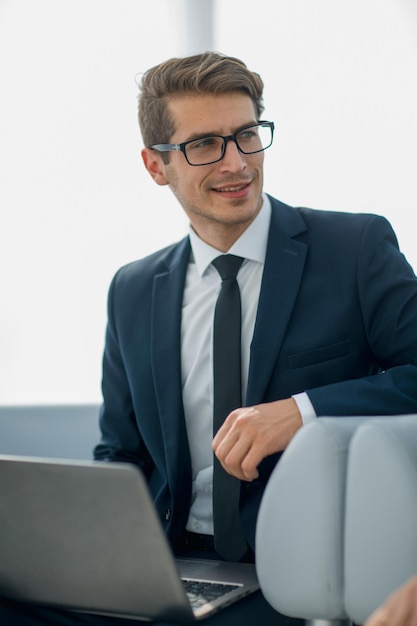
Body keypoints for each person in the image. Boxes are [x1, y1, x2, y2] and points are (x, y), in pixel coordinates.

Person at [2, 51, 417, 625]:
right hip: (165, 565)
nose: (237, 163)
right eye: (205, 145)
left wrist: (302, 411)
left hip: (298, 574)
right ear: (155, 165)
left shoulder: (355, 247)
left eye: (247, 135)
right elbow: (121, 452)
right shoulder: (133, 287)